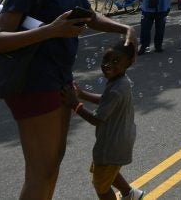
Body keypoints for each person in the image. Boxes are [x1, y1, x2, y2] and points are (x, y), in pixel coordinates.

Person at [0, 0, 138, 200]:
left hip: (59, 79)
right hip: (31, 82)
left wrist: (125, 28)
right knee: (40, 170)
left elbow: (89, 17)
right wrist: (51, 30)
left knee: (52, 163)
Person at [61, 39, 144, 200]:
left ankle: (129, 194)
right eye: (105, 60)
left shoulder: (116, 88)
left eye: (115, 61)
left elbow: (96, 119)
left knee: (101, 185)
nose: (107, 65)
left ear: (128, 64)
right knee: (108, 171)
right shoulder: (121, 81)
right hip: (120, 139)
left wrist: (74, 103)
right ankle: (130, 194)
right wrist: (83, 94)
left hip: (112, 144)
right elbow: (106, 100)